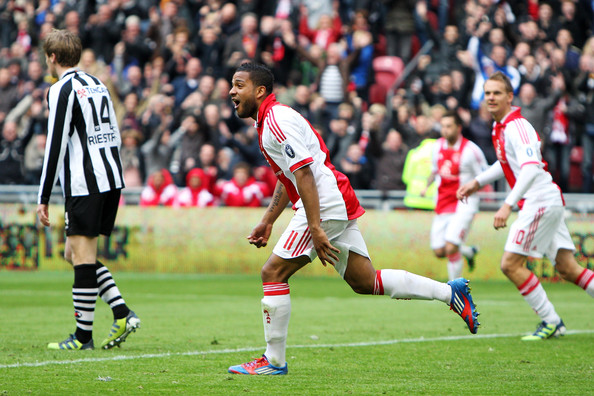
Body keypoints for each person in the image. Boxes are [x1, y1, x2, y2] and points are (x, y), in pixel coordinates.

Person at [226, 62, 480, 376]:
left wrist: (315, 226)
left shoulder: (276, 120)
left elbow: (303, 173)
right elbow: (290, 174)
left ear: (260, 90)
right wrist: (268, 220)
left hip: (323, 203)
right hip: (332, 198)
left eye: (239, 85)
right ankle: (449, 292)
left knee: (273, 273)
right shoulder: (269, 121)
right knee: (365, 281)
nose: (232, 92)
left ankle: (274, 361)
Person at [457, 72, 594, 341]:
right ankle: (553, 322)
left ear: (510, 97)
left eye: (497, 93)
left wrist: (507, 204)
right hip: (545, 200)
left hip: (539, 200)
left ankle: (551, 321)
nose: (491, 98)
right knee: (567, 267)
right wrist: (477, 181)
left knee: (510, 264)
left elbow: (531, 168)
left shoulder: (517, 126)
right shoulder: (502, 128)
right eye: (487, 93)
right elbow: (506, 163)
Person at [36, 29, 140, 351]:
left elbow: (54, 144)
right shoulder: (98, 84)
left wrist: (43, 197)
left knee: (81, 258)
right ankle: (122, 312)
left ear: (52, 57)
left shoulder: (60, 89)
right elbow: (113, 132)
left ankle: (83, 337)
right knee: (74, 253)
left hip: (86, 182)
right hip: (110, 177)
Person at [421, 110, 488, 281]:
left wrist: (478, 190)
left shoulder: (471, 150)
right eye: (443, 126)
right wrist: (426, 186)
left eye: (449, 126)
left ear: (458, 128)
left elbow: (485, 174)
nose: (445, 130)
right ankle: (469, 251)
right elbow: (435, 171)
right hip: (443, 202)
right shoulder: (437, 147)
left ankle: (454, 288)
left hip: (464, 203)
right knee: (439, 251)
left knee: (451, 247)